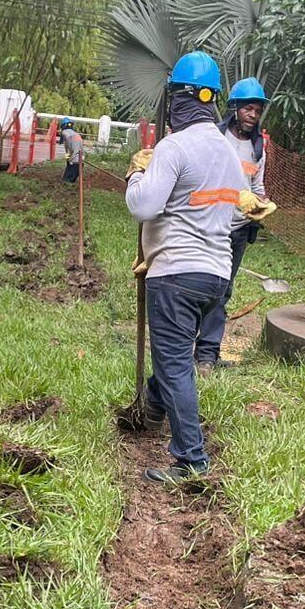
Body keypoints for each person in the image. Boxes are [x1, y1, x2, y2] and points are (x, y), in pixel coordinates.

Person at [125, 51, 244, 485]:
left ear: (181, 99)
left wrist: (136, 176)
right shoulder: (228, 152)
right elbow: (236, 214)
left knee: (175, 363)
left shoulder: (173, 147)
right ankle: (153, 408)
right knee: (174, 356)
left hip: (175, 274)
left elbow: (144, 207)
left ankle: (191, 461)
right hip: (215, 275)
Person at [195, 77, 270, 371]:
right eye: (248, 109)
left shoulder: (257, 148)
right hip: (208, 225)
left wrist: (261, 203)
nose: (253, 115)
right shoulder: (216, 138)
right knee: (199, 286)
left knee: (223, 291)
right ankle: (183, 345)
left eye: (257, 110)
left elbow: (257, 184)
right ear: (235, 108)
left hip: (238, 230)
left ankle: (207, 356)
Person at [58, 119, 85, 184]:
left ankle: (67, 183)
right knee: (71, 179)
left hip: (74, 161)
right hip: (80, 161)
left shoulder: (65, 132)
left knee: (67, 180)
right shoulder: (76, 134)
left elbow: (67, 144)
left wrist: (69, 157)